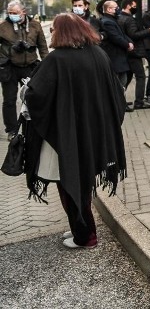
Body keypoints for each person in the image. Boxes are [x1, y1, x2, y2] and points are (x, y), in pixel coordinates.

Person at [23, 13, 127, 249]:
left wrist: (24, 92)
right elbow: (116, 94)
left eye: (54, 29)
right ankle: (81, 229)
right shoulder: (99, 54)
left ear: (61, 32)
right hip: (92, 134)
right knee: (84, 181)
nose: (51, 33)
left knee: (69, 182)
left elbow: (36, 95)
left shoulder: (57, 59)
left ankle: (85, 235)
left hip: (67, 134)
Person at [0, 0, 49, 139]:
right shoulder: (3, 26)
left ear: (24, 12)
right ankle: (12, 130)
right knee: (9, 100)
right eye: (9, 13)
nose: (11, 15)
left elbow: (43, 47)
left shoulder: (35, 25)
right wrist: (10, 49)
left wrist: (46, 65)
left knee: (31, 98)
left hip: (29, 66)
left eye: (15, 13)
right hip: (9, 67)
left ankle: (32, 127)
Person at [118, 0, 150, 110]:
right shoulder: (129, 20)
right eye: (134, 5)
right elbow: (134, 35)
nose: (136, 8)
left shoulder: (120, 18)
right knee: (140, 76)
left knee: (127, 78)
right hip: (134, 52)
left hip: (126, 52)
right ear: (128, 6)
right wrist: (149, 30)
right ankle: (139, 102)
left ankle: (120, 101)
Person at [99, 0, 134, 113]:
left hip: (119, 57)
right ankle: (118, 105)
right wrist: (127, 44)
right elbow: (116, 37)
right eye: (116, 7)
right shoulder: (107, 22)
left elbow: (122, 34)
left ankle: (120, 103)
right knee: (119, 83)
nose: (118, 9)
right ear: (109, 9)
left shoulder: (111, 20)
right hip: (115, 58)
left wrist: (129, 42)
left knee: (123, 81)